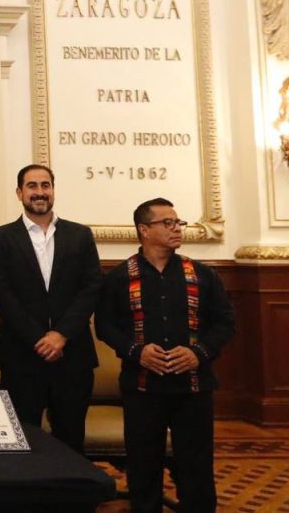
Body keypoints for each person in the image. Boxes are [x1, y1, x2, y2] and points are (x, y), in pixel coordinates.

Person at [96, 198, 235, 513]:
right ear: (144, 230)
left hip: (193, 387)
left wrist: (198, 353)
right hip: (142, 387)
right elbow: (105, 326)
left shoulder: (202, 274)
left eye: (178, 222)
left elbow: (225, 323)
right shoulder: (119, 277)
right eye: (167, 223)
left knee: (196, 468)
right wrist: (136, 351)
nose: (177, 228)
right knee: (143, 468)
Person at [0, 164, 101, 453]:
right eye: (32, 186)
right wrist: (40, 339)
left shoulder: (80, 235)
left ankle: (71, 486)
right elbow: (2, 294)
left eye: (45, 185)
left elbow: (91, 288)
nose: (40, 192)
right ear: (19, 192)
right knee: (24, 443)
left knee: (71, 443)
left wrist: (61, 335)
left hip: (72, 356)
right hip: (22, 357)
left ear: (53, 190)